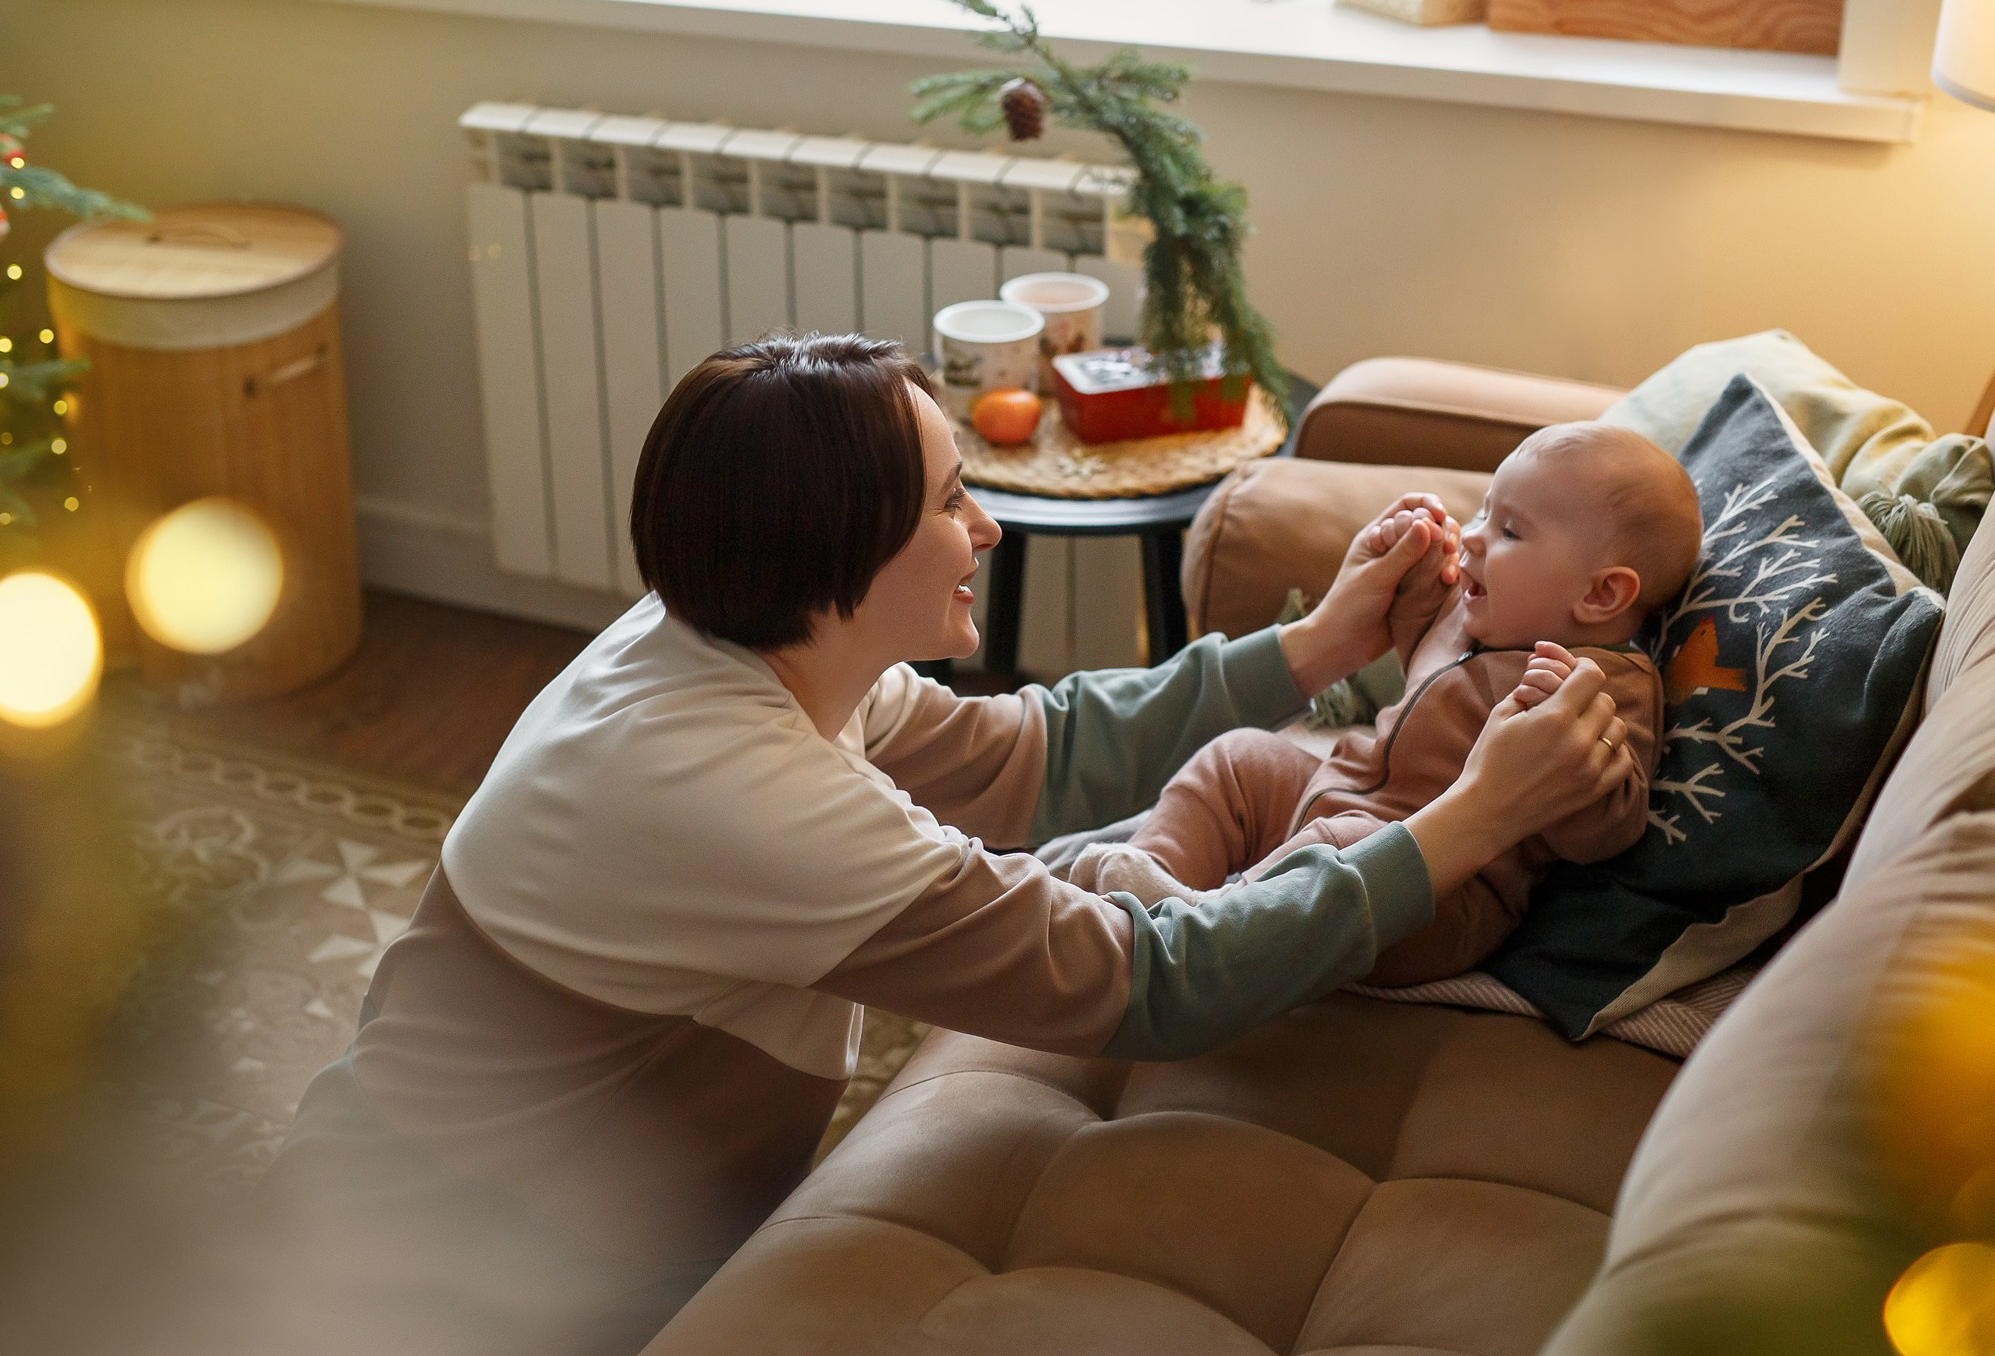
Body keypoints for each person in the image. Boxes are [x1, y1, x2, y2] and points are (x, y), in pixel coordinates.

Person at [253, 334, 1635, 1356]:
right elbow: (1156, 987)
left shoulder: (735, 637)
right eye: (944, 500)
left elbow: (1027, 756)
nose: (982, 526)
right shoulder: (733, 794)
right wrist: (1476, 819)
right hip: (460, 1287)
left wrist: (1316, 645)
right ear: (832, 549)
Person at [1073, 422, 1702, 986]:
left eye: (1510, 531)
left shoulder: (1602, 689)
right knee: (1240, 758)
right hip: (1333, 791)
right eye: (1484, 512)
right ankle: (1145, 880)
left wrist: (1580, 772)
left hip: (1437, 894)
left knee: (1340, 840)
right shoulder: (1474, 615)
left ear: (1601, 596)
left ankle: (1203, 931)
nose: (1477, 537)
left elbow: (1611, 830)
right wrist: (1409, 567)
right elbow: (1421, 671)